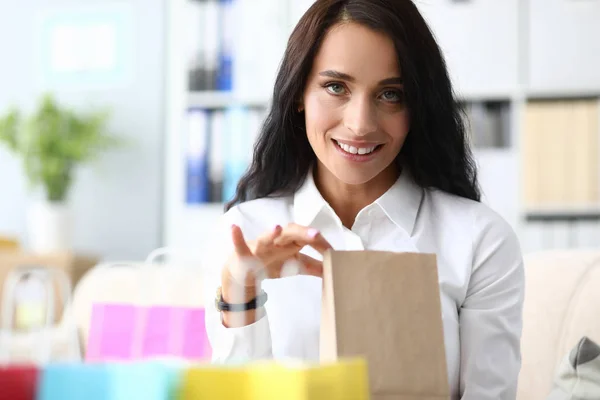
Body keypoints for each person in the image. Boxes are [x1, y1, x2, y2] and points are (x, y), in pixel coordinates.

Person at [204, 1, 525, 399]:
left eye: (391, 94)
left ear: (418, 106)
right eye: (336, 87)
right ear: (299, 93)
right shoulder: (243, 233)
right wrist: (241, 293)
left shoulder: (480, 240)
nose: (360, 124)